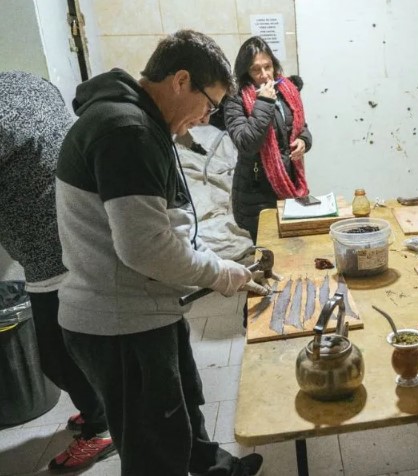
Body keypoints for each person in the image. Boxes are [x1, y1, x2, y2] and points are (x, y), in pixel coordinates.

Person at [55, 30, 264, 476]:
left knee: (183, 405)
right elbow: (146, 248)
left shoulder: (142, 121)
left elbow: (166, 222)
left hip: (148, 306)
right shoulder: (126, 130)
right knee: (155, 448)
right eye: (209, 104)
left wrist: (218, 260)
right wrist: (219, 274)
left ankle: (215, 468)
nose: (207, 116)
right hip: (121, 321)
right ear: (181, 80)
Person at [0, 71, 115, 472]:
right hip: (78, 227)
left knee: (57, 356)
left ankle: (102, 427)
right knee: (83, 341)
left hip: (52, 251)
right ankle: (102, 407)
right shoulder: (26, 81)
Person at [225, 36, 313, 245]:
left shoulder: (287, 90)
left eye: (268, 67)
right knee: (269, 252)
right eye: (256, 70)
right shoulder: (235, 99)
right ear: (245, 72)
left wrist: (303, 140)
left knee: (295, 248)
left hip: (289, 186)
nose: (264, 75)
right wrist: (264, 101)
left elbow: (301, 127)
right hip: (257, 195)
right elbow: (246, 143)